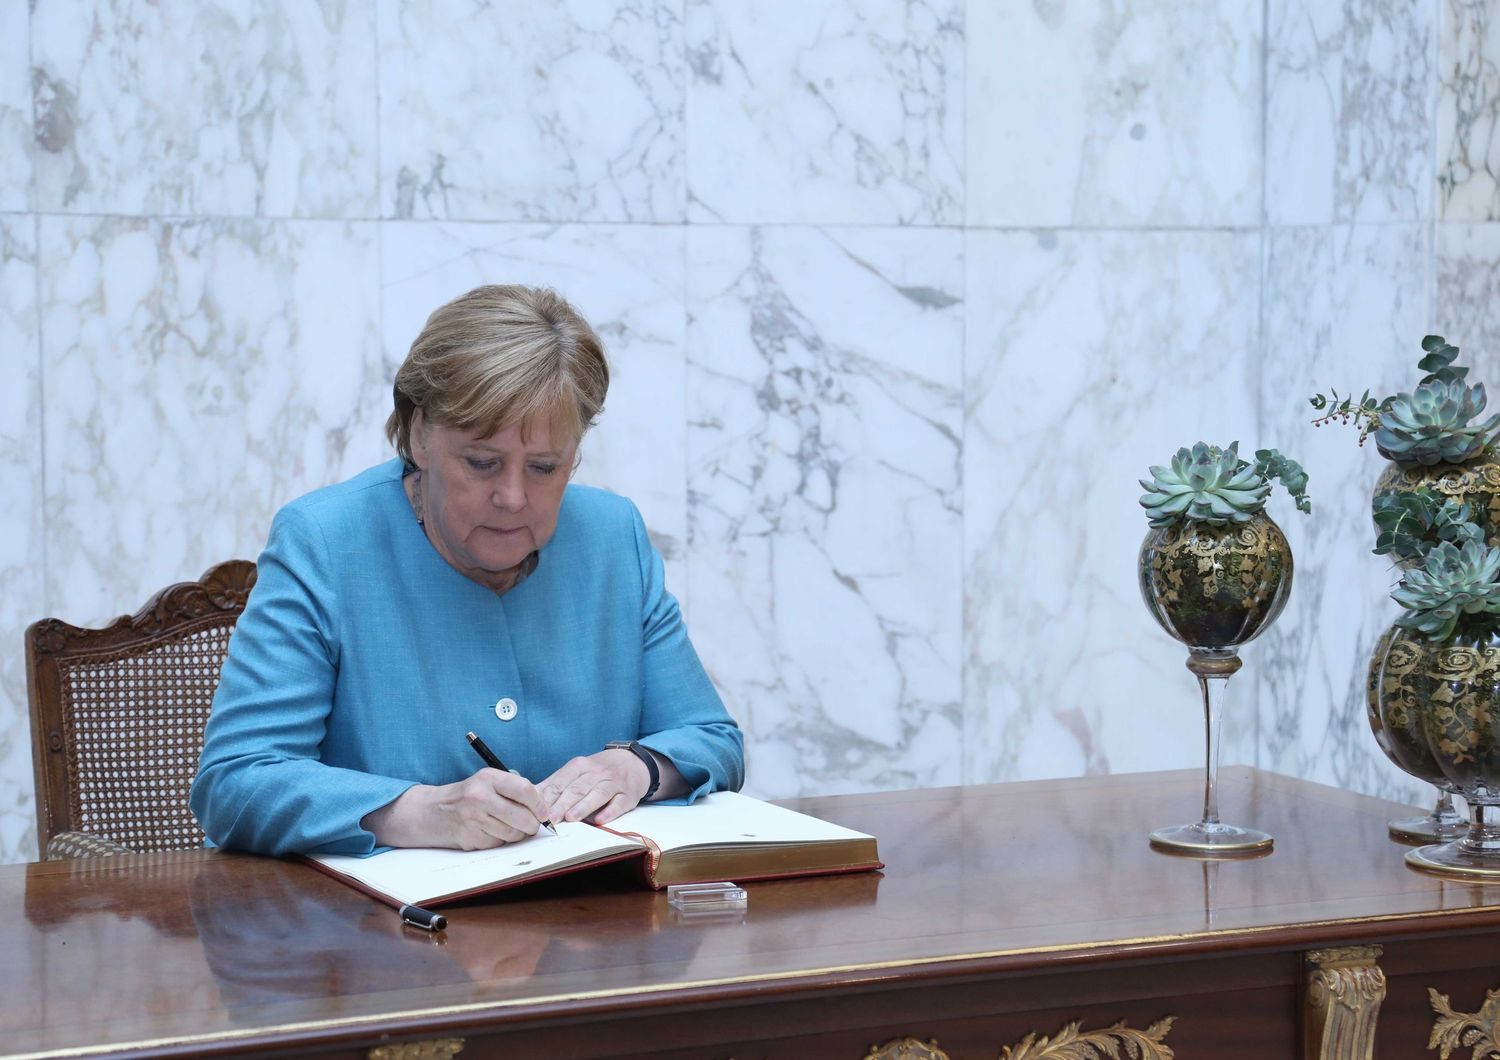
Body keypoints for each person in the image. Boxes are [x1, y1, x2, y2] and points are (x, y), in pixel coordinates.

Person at [190, 285, 744, 856]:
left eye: (544, 468)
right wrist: (417, 812)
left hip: (585, 927)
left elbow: (712, 738)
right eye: (482, 463)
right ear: (420, 434)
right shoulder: (327, 542)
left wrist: (636, 769)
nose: (512, 497)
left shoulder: (612, 537)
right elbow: (236, 782)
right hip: (375, 931)